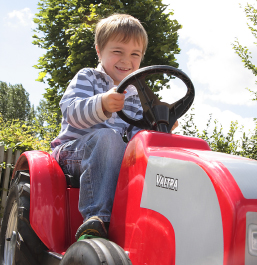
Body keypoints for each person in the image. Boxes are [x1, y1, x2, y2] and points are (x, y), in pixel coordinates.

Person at [51, 13, 178, 240]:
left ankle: (154, 226)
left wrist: (162, 128)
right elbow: (71, 112)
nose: (126, 60)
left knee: (160, 157)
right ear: (99, 50)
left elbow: (138, 134)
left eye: (135, 54)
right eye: (118, 51)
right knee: (108, 138)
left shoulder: (135, 94)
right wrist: (102, 104)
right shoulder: (88, 77)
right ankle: (96, 222)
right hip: (73, 153)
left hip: (114, 158)